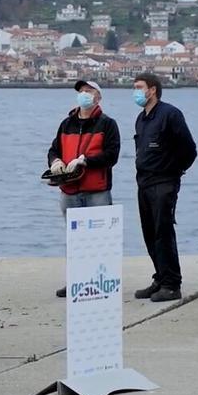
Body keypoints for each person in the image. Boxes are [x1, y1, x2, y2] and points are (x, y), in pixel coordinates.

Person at [47, 80, 121, 298]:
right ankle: (76, 282)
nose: (84, 94)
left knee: (100, 240)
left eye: (89, 91)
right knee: (75, 240)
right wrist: (55, 161)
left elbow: (112, 155)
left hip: (96, 190)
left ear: (98, 97)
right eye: (81, 91)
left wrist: (85, 161)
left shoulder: (107, 124)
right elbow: (53, 149)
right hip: (69, 190)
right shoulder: (66, 124)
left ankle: (100, 283)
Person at [132, 73, 197, 302]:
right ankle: (160, 278)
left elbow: (189, 149)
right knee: (149, 233)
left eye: (139, 87)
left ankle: (172, 284)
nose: (136, 91)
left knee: (163, 232)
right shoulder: (142, 118)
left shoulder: (170, 114)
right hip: (144, 183)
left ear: (152, 90)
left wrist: (174, 171)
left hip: (164, 183)